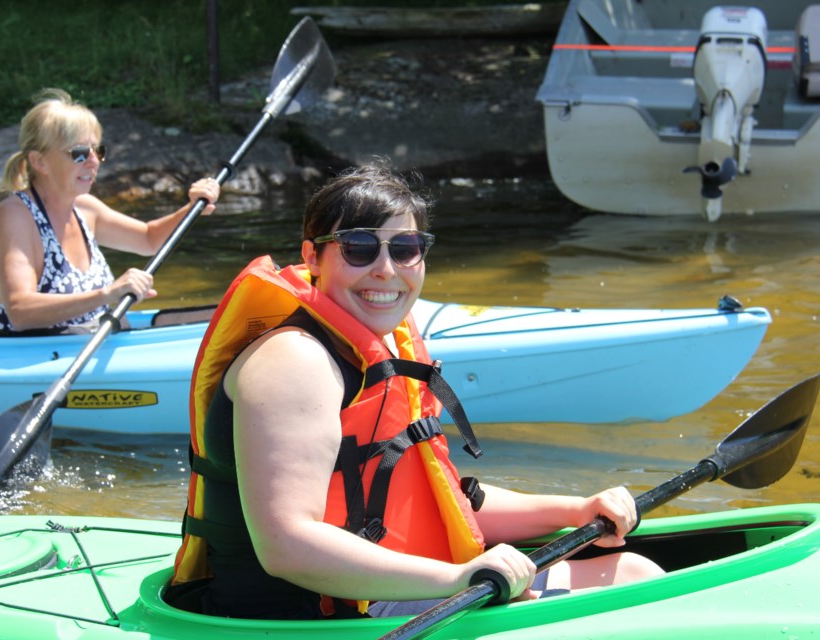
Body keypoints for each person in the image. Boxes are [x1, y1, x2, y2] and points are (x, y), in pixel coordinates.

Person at [170, 164, 664, 620]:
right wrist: (456, 578)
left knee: (634, 570)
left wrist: (575, 510)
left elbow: (437, 498)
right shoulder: (295, 361)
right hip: (310, 619)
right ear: (312, 257)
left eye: (404, 248)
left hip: (371, 591)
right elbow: (287, 544)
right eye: (360, 247)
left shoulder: (376, 349)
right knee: (635, 587)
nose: (386, 269)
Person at [0, 88, 221, 335]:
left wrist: (193, 208)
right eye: (79, 153)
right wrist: (107, 294)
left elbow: (149, 239)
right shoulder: (15, 216)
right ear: (39, 162)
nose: (94, 161)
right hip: (31, 353)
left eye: (98, 151)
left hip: (93, 338)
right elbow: (21, 311)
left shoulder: (85, 208)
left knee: (224, 318)